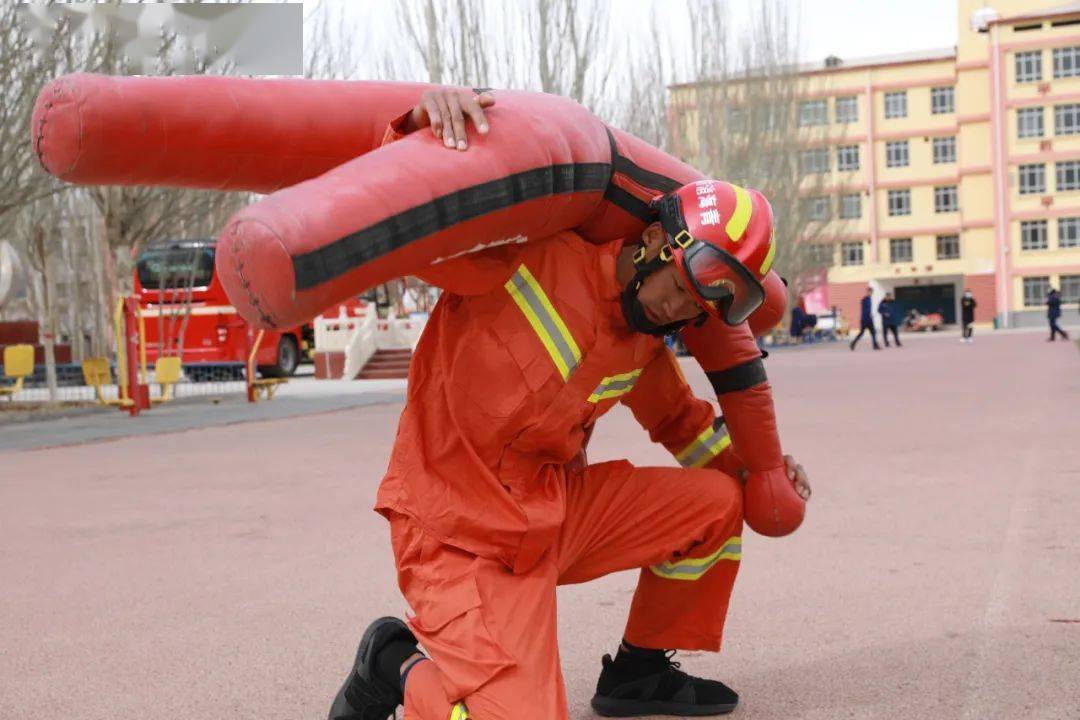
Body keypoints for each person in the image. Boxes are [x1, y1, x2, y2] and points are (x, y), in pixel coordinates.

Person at [327, 90, 811, 720]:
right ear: (660, 239)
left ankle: (639, 675)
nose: (684, 312)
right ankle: (394, 661)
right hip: (454, 530)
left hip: (551, 515)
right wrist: (420, 126)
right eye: (686, 288)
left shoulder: (639, 342)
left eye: (705, 308)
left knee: (717, 505)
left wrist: (755, 471)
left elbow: (678, 421)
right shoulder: (524, 259)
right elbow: (406, 214)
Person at [849, 286, 880, 351]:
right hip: (865, 319)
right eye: (870, 292)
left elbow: (868, 309)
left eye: (872, 292)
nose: (871, 293)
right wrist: (869, 315)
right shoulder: (865, 299)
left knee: (873, 332)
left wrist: (870, 315)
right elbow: (865, 310)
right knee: (862, 333)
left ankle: (875, 345)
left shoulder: (869, 299)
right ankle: (853, 343)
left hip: (869, 318)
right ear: (867, 292)